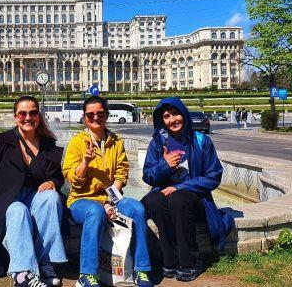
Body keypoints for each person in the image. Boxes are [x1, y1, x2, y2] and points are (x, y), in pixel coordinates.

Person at [0, 96, 67, 287]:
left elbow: (57, 176)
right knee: (18, 210)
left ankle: (44, 262)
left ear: (39, 116)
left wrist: (52, 182)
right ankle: (22, 273)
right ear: (16, 117)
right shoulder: (1, 142)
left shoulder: (48, 144)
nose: (28, 117)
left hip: (34, 197)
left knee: (51, 198)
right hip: (6, 200)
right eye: (22, 113)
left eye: (33, 113)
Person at [62, 96, 153, 287]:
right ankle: (87, 274)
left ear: (106, 115)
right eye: (90, 115)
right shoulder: (77, 143)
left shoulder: (115, 141)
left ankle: (142, 270)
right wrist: (85, 162)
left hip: (112, 198)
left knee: (136, 208)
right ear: (85, 118)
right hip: (82, 200)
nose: (95, 118)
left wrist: (110, 202)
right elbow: (73, 182)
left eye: (100, 113)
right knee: (94, 212)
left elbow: (122, 173)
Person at [141, 97, 234, 282]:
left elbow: (213, 176)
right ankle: (170, 261)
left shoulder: (201, 141)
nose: (172, 120)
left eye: (176, 114)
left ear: (183, 114)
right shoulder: (158, 144)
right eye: (166, 116)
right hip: (167, 201)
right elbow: (148, 176)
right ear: (162, 120)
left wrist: (179, 187)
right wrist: (164, 166)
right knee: (154, 200)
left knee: (179, 198)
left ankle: (189, 261)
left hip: (194, 201)